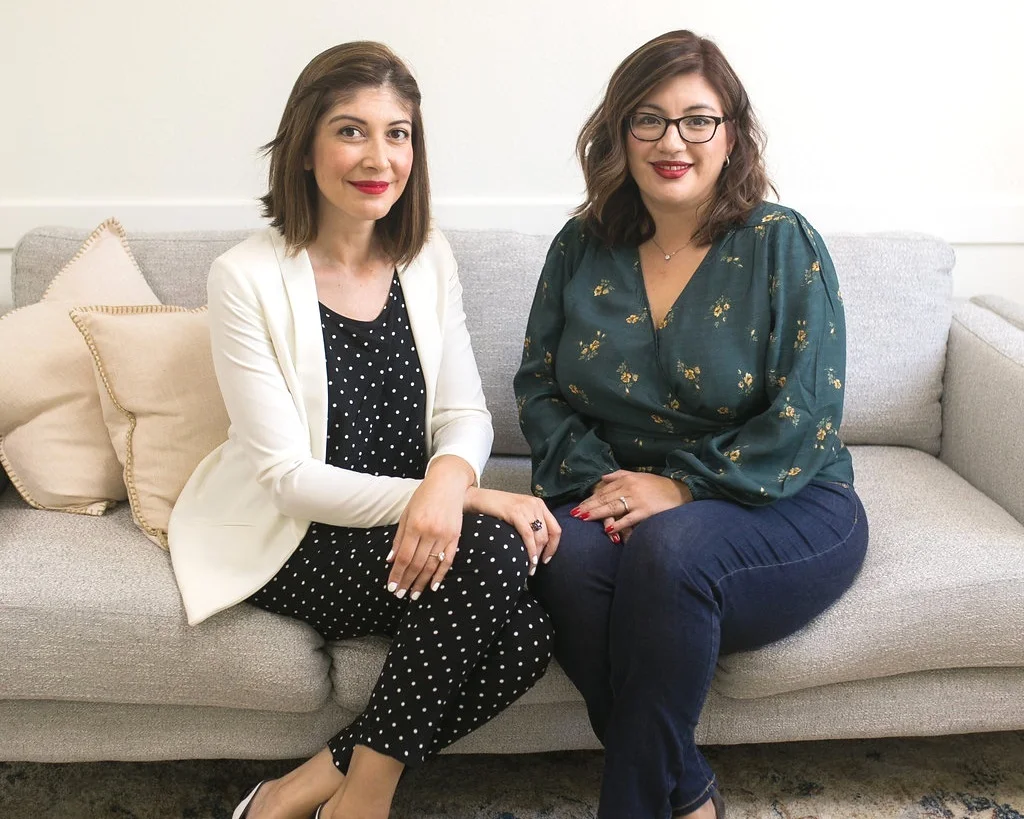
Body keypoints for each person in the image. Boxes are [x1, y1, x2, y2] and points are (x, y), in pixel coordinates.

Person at [168, 42, 559, 819]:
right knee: (494, 550)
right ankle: (366, 802)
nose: (380, 157)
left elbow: (464, 414)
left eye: (398, 133)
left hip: (412, 522)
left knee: (528, 635)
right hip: (293, 532)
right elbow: (287, 479)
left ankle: (301, 789)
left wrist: (446, 485)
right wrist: (453, 498)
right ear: (304, 148)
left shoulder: (427, 255)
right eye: (351, 130)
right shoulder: (245, 277)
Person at [514, 29, 869, 819]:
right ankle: (690, 794)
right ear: (619, 134)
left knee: (670, 551)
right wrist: (610, 486)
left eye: (697, 120)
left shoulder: (783, 242)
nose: (672, 142)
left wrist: (679, 488)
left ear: (730, 135)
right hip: (614, 492)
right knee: (559, 560)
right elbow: (538, 384)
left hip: (782, 498)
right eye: (649, 119)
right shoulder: (579, 246)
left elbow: (808, 412)